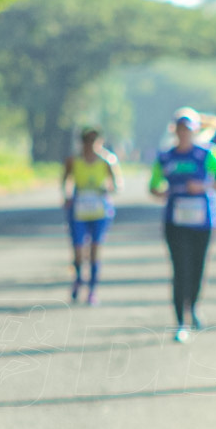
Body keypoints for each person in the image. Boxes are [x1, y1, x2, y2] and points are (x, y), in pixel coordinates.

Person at [149, 107, 216, 342]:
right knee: (179, 269)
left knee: (197, 268)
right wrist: (161, 191)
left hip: (203, 221)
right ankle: (180, 322)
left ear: (195, 130)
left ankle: (192, 306)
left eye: (189, 129)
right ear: (175, 131)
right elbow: (153, 185)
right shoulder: (165, 156)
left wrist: (203, 187)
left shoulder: (208, 154)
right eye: (181, 129)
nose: (184, 133)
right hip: (175, 222)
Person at [62, 126, 121, 306]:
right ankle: (78, 280)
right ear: (82, 142)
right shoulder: (73, 161)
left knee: (95, 250)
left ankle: (92, 290)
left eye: (94, 141)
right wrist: (68, 197)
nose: (90, 145)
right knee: (79, 251)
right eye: (87, 140)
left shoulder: (107, 161)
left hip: (99, 210)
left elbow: (116, 185)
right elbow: (65, 181)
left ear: (100, 142)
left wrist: (106, 189)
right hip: (79, 209)